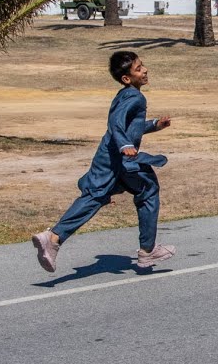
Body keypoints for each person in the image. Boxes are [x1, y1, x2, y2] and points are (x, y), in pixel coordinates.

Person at [31, 50, 176, 273]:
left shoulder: (124, 94)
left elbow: (130, 126)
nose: (145, 70)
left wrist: (154, 125)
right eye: (138, 68)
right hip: (119, 159)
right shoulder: (135, 96)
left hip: (108, 157)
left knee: (96, 197)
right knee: (148, 188)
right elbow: (116, 122)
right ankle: (147, 251)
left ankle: (53, 238)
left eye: (142, 65)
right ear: (126, 78)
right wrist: (125, 145)